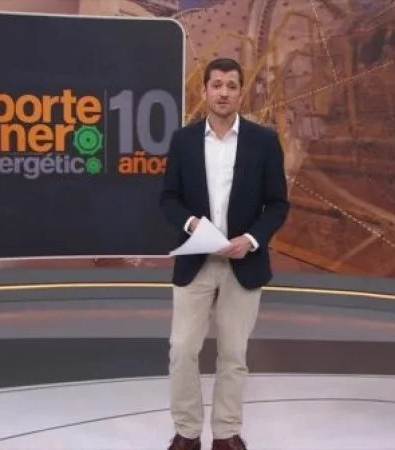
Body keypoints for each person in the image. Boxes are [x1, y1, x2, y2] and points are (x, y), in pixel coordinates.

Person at [160, 57, 290, 450]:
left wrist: (251, 239)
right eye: (216, 85)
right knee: (183, 349)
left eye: (231, 86)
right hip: (195, 261)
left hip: (243, 263)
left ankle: (226, 433)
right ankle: (187, 433)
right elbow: (169, 199)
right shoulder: (183, 141)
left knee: (233, 354)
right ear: (205, 91)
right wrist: (192, 225)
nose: (223, 93)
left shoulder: (263, 141)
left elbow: (277, 204)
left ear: (240, 93)